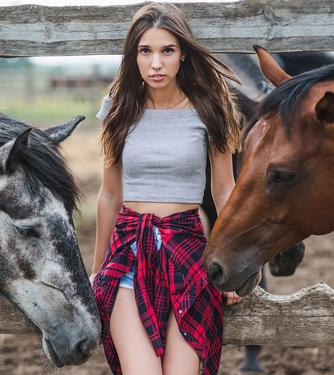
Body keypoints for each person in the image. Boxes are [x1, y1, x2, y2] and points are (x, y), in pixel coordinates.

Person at [90, 3, 243, 375]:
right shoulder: (118, 109)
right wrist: (96, 270)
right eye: (146, 51)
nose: (156, 63)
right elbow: (110, 195)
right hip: (128, 251)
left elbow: (225, 191)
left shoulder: (211, 110)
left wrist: (234, 267)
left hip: (189, 252)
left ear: (183, 54)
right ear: (134, 56)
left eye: (166, 51)